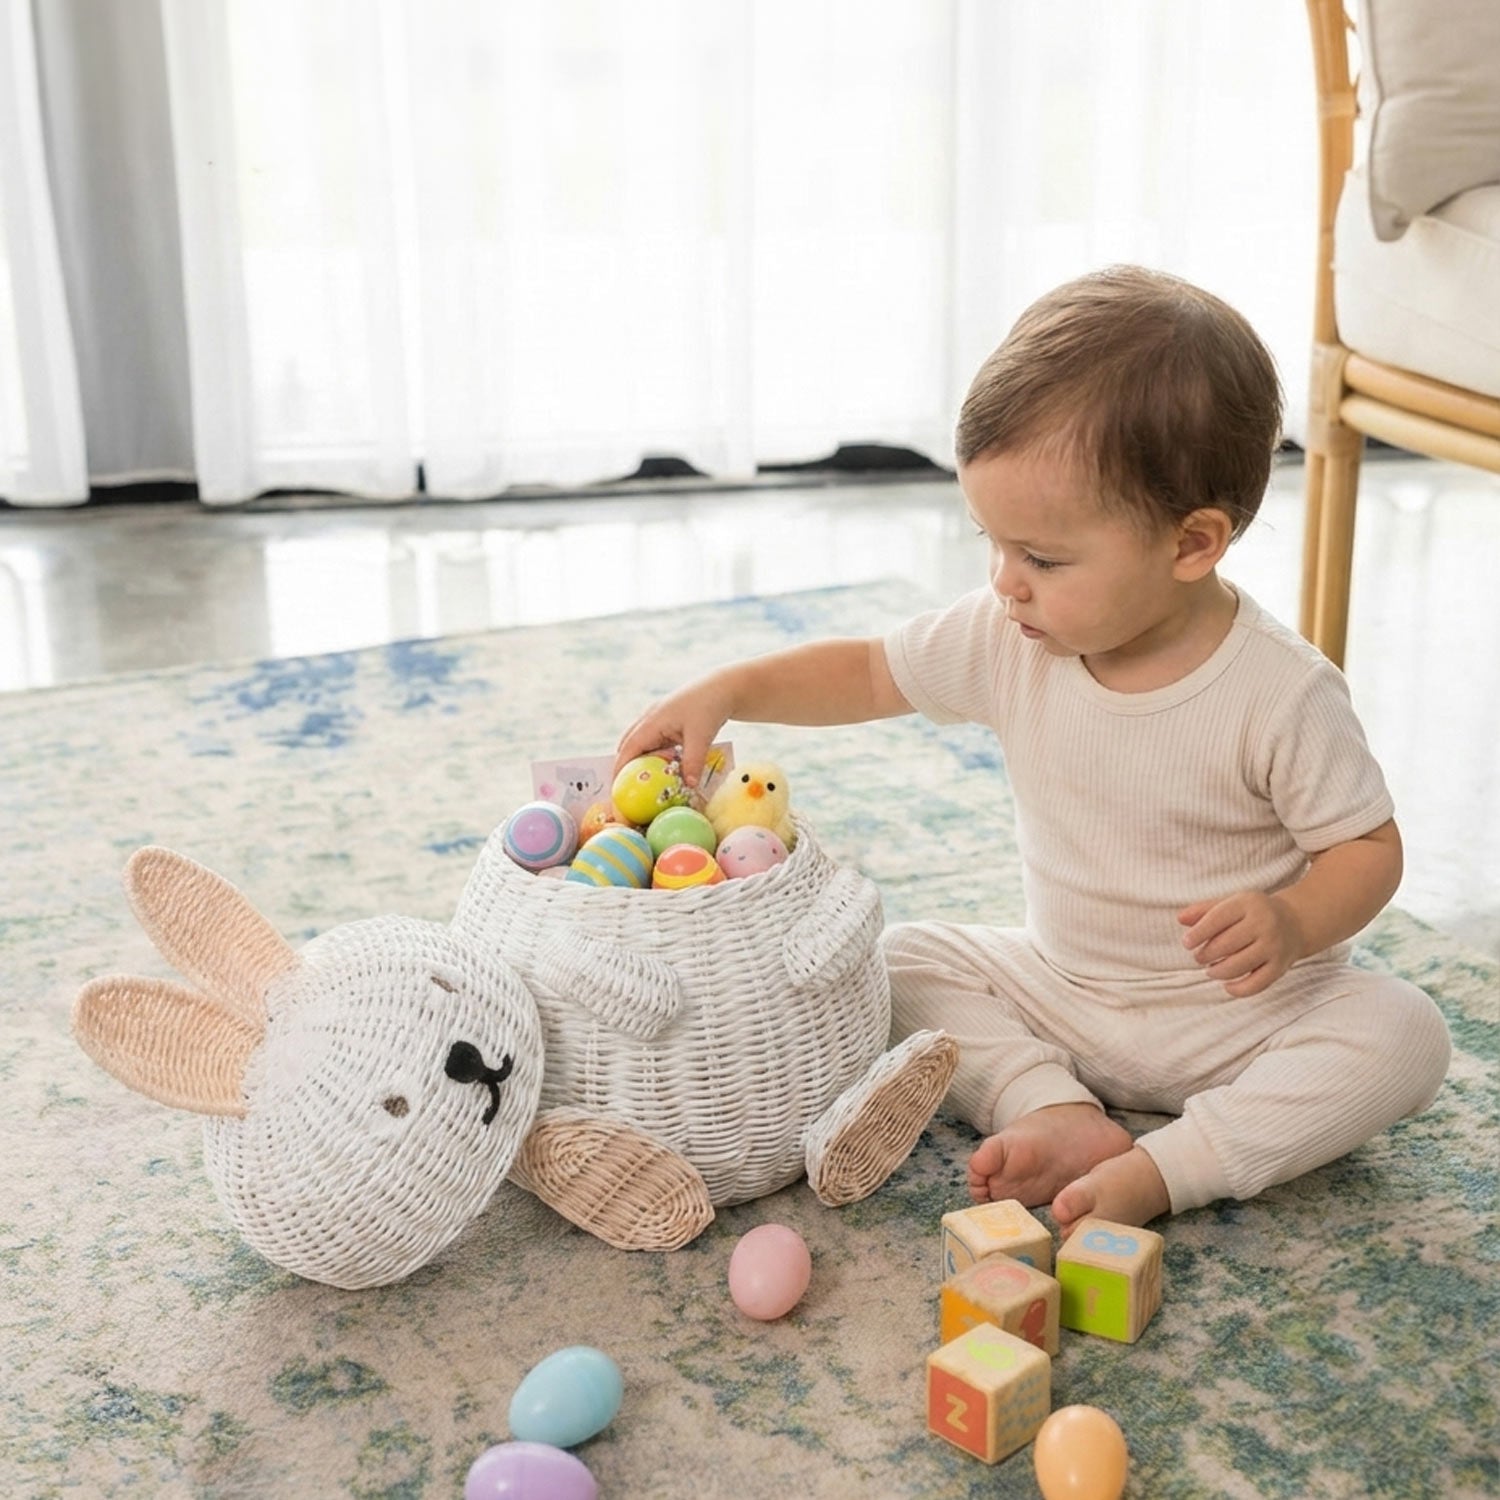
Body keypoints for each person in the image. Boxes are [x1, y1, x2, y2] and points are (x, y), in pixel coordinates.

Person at [613, 265, 1451, 1234]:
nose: (1006, 583)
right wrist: (730, 688)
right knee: (894, 957)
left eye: (1043, 559)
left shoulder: (1282, 690)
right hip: (1064, 991)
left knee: (1404, 1035)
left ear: (1193, 544)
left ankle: (1172, 1167)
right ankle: (1051, 1106)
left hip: (1246, 1019)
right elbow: (872, 672)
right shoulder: (1013, 634)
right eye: (993, 543)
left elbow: (1369, 850)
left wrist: (1295, 919)